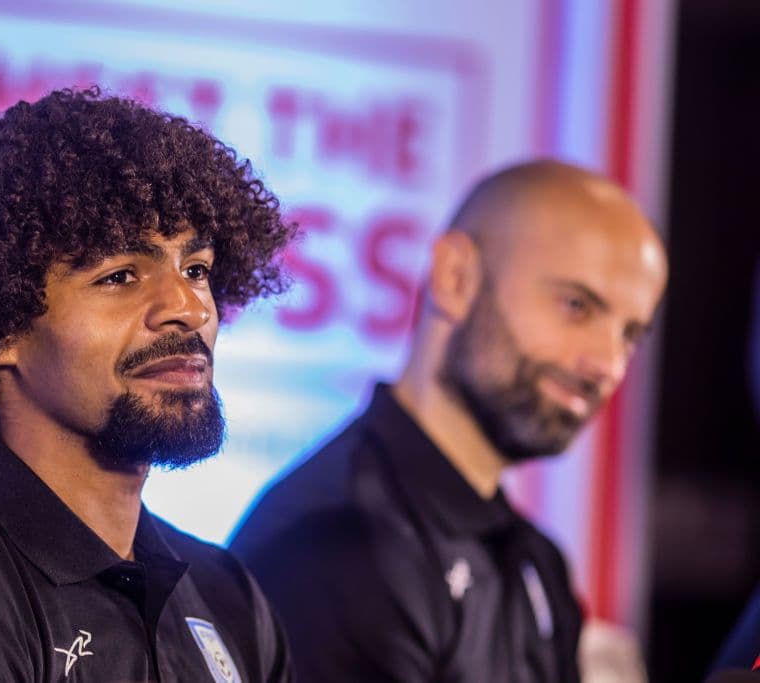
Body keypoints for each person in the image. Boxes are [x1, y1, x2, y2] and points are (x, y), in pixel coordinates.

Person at [0, 87, 295, 682]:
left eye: (195, 269)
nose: (189, 308)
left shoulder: (230, 600)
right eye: (120, 276)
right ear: (0, 326)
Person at [231, 159, 668, 682]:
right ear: (456, 278)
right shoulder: (332, 546)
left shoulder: (538, 563)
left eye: (630, 335)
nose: (608, 364)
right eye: (577, 305)